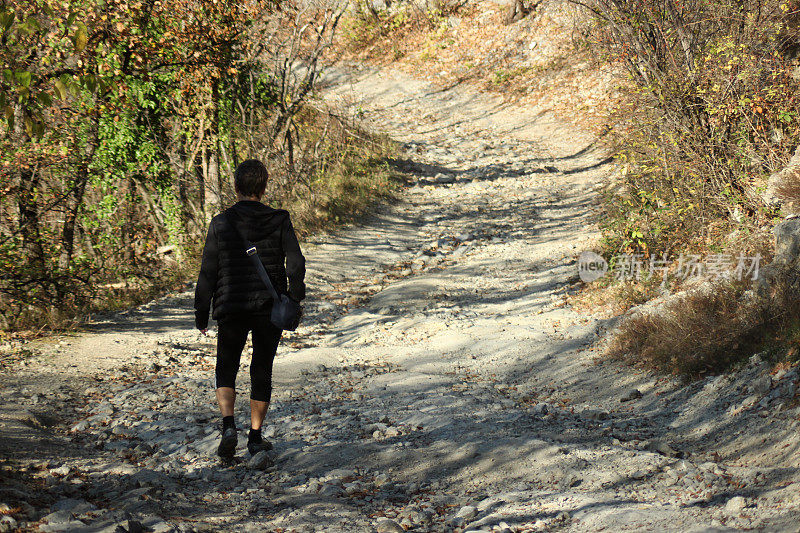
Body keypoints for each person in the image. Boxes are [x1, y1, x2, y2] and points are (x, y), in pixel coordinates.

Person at [194, 159, 306, 460]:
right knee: (261, 368)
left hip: (231, 304)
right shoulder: (280, 220)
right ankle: (255, 437)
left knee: (226, 366)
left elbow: (208, 270)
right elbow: (296, 263)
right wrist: (294, 297)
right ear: (264, 186)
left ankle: (229, 425)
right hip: (268, 307)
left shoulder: (220, 223)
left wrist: (201, 313)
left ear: (236, 187)